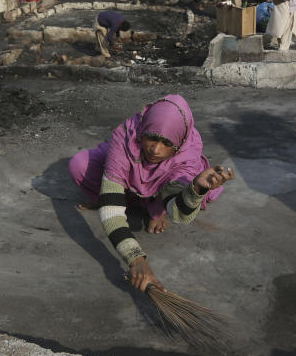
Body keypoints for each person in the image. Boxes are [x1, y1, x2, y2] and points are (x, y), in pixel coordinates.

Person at [68, 95, 234, 292]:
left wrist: (196, 189)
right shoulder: (126, 135)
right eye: (151, 138)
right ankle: (117, 196)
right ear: (142, 131)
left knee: (173, 196)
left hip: (164, 186)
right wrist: (135, 259)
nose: (156, 150)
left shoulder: (186, 157)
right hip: (129, 173)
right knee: (80, 165)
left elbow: (178, 213)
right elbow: (111, 212)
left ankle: (154, 208)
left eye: (167, 144)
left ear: (179, 144)